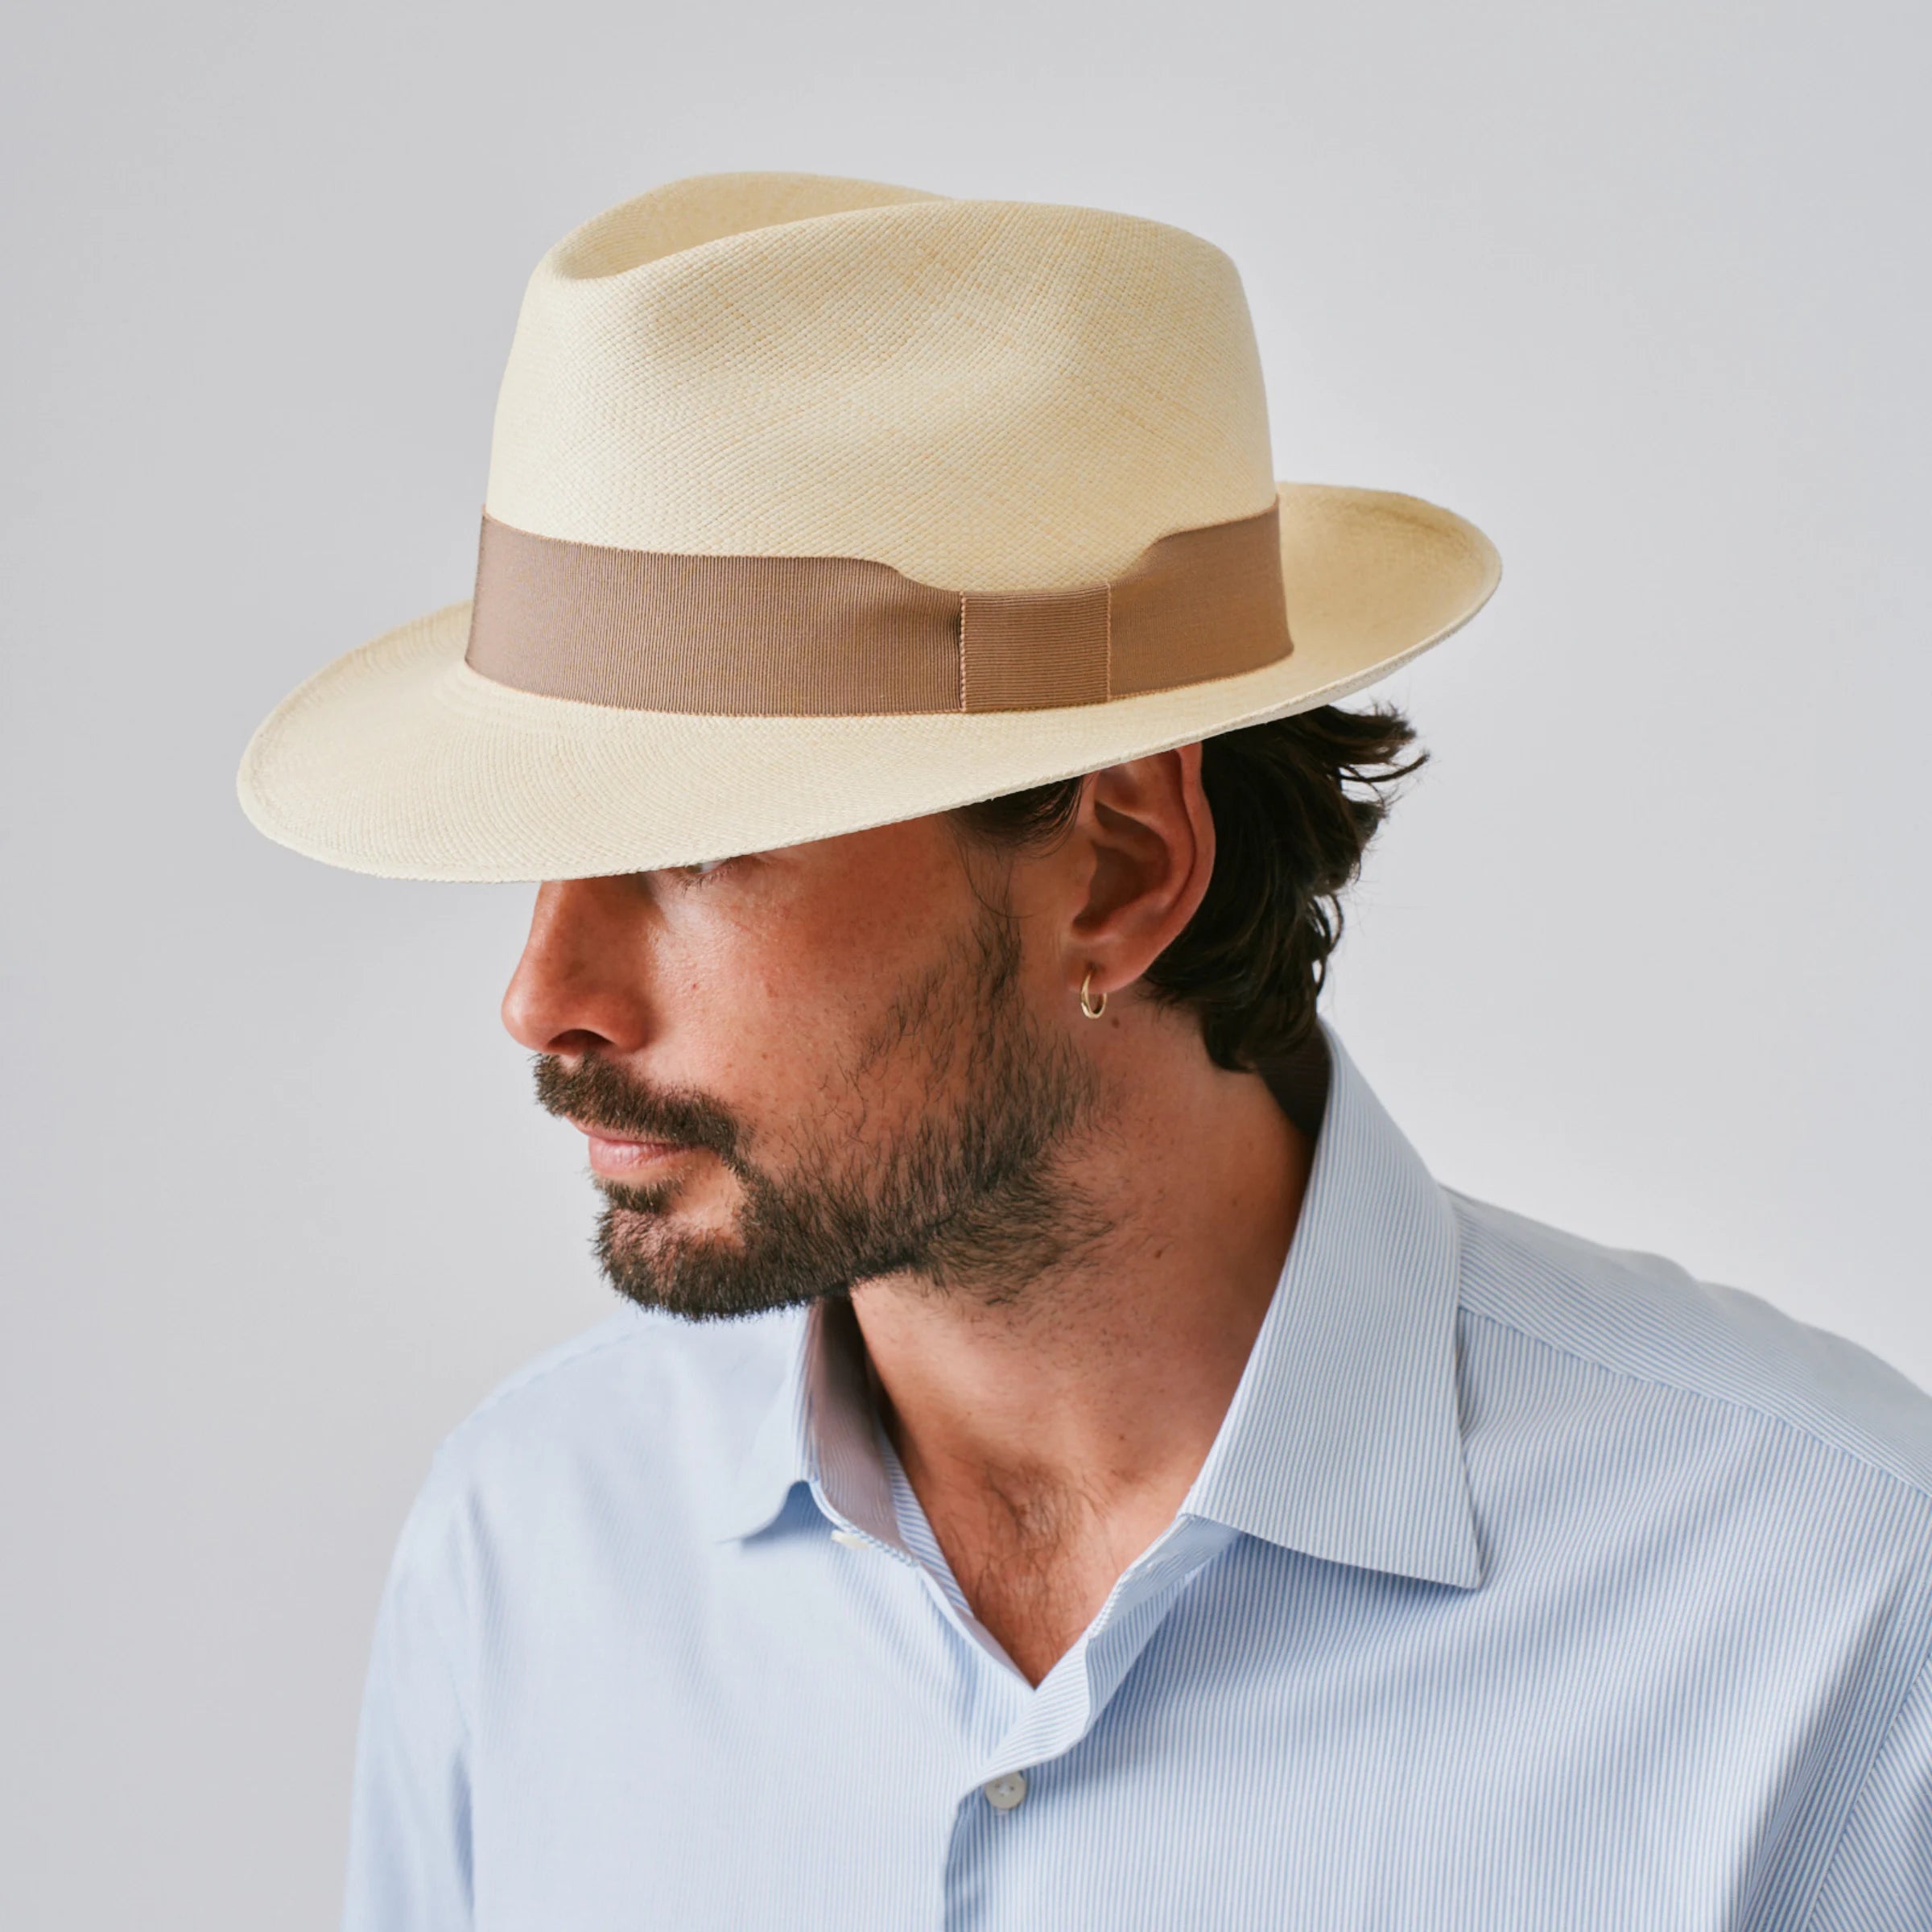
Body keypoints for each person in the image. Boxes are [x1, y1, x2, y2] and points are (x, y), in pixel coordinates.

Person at [237, 172, 1932, 1930]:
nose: (544, 994)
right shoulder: (527, 1557)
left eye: (697, 844)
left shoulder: (1829, 1630)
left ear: (1123, 867)